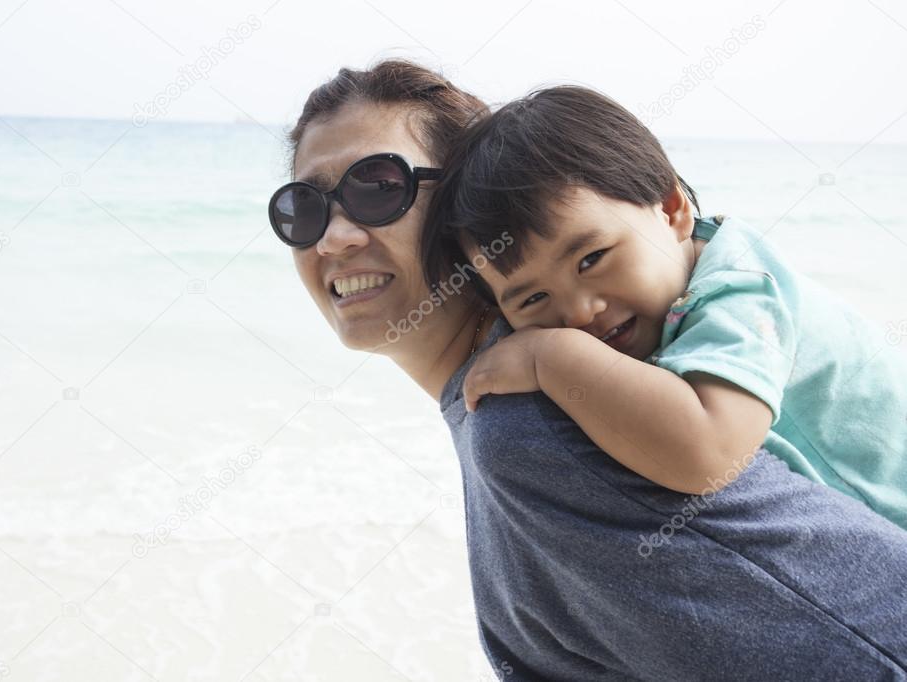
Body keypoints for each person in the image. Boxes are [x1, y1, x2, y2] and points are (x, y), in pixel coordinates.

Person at [269, 59, 907, 680]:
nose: (333, 238)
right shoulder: (529, 401)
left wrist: (554, 356)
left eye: (378, 187)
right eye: (302, 209)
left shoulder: (545, 422)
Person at [422, 85, 907, 530]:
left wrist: (546, 356)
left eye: (591, 259)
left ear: (672, 209)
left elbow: (708, 454)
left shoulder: (739, 288)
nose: (578, 313)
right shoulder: (665, 291)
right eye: (532, 299)